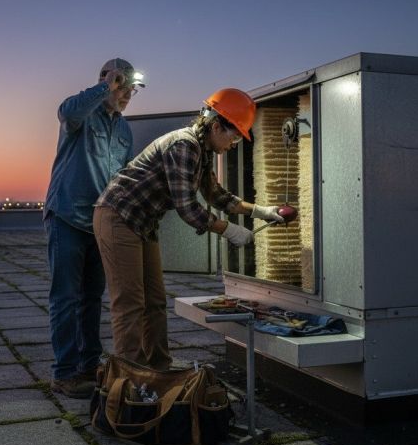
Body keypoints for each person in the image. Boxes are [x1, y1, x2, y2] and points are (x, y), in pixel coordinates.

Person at [92, 87, 284, 370]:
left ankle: (158, 369)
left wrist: (260, 211)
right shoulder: (183, 145)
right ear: (217, 125)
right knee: (130, 304)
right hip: (118, 216)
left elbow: (217, 196)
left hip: (143, 222)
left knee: (155, 301)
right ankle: (131, 379)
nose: (234, 144)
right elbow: (187, 209)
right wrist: (229, 230)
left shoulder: (203, 151)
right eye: (234, 136)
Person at [43, 58, 145, 398]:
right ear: (105, 80)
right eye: (122, 83)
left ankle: (89, 364)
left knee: (91, 299)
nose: (127, 92)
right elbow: (67, 112)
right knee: (65, 298)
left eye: (132, 87)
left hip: (99, 223)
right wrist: (106, 87)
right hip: (67, 216)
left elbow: (121, 178)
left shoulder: (124, 130)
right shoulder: (82, 116)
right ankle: (65, 372)